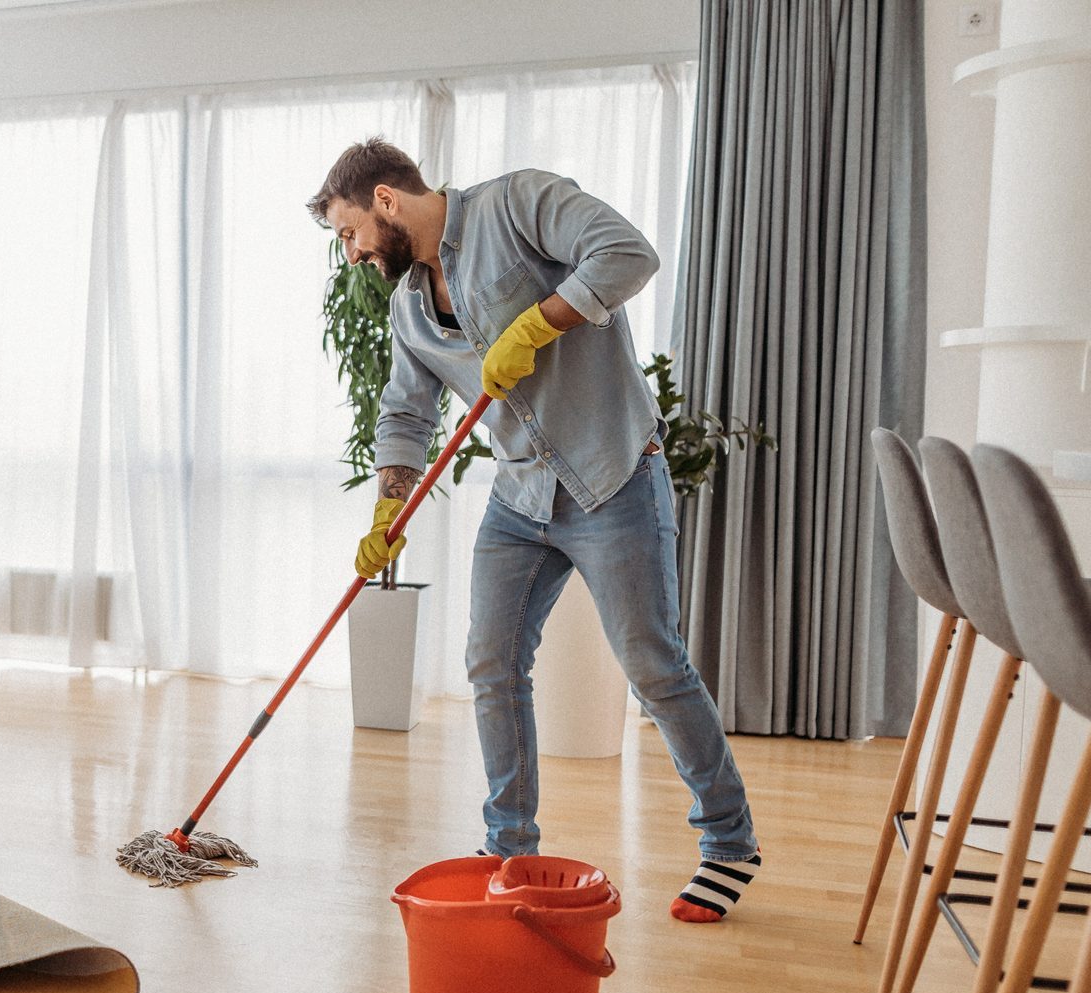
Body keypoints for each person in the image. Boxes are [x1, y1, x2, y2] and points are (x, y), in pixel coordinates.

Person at [308, 138, 760, 923]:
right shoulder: (409, 303)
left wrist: (537, 324)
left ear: (384, 201)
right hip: (520, 495)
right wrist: (389, 505)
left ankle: (727, 841)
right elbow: (407, 412)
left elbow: (627, 253)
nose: (350, 256)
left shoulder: (516, 205)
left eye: (347, 233)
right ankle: (508, 844)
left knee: (653, 665)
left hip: (611, 471)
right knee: (491, 662)